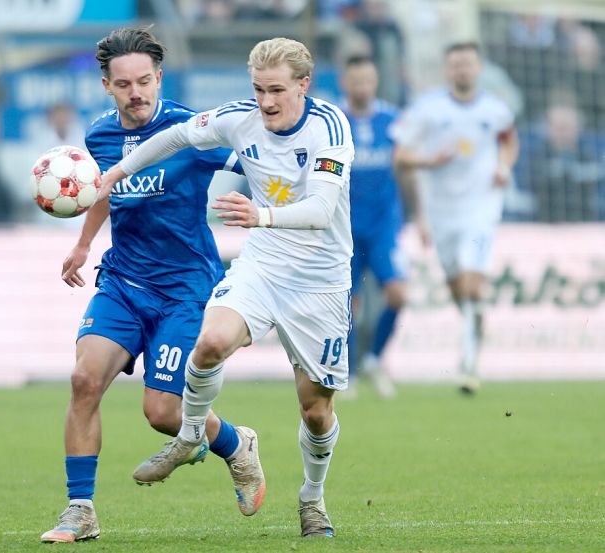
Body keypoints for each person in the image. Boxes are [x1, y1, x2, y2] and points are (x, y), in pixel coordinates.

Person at [101, 37, 355, 538]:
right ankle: (191, 436)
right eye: (259, 89)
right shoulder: (239, 117)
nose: (266, 102)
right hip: (261, 265)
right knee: (211, 341)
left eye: (278, 90)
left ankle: (311, 498)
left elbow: (322, 211)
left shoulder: (330, 126)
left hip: (320, 282)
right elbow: (174, 138)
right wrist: (117, 172)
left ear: (304, 85)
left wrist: (258, 214)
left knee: (316, 410)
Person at [40, 27, 265, 544]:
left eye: (144, 81)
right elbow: (103, 187)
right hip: (123, 281)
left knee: (163, 414)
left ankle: (236, 445)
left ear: (159, 77)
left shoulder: (191, 129)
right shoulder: (99, 136)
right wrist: (83, 245)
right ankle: (80, 510)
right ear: (106, 86)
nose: (136, 93)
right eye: (124, 85)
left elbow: (254, 165)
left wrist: (269, 211)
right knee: (83, 381)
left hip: (185, 287)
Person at [393, 42, 519, 394]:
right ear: (447, 70)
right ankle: (474, 326)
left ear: (478, 68)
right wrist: (428, 163)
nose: (462, 70)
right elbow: (402, 157)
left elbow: (510, 141)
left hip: (481, 208)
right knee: (458, 288)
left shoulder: (495, 110)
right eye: (456, 65)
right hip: (441, 212)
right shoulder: (427, 110)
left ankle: (468, 365)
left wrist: (503, 166)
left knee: (470, 282)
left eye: (468, 64)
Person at [339, 55, 411, 398]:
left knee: (398, 294)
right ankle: (349, 373)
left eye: (367, 80)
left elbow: (406, 168)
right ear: (345, 83)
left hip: (384, 227)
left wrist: (420, 217)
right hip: (345, 230)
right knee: (347, 304)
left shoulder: (392, 120)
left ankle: (373, 358)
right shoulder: (335, 121)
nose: (362, 87)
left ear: (376, 81)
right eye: (356, 81)